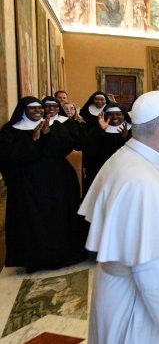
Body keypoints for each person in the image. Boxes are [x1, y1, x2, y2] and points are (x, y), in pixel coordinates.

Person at [78, 91, 159, 343]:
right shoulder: (140, 182)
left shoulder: (133, 159)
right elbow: (151, 267)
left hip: (128, 295)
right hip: (136, 308)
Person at [0, 97, 86, 273]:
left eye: (40, 108)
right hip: (27, 185)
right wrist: (33, 140)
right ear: (23, 111)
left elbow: (65, 148)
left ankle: (61, 255)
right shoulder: (10, 131)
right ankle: (35, 259)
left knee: (58, 217)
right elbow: (8, 157)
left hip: (57, 182)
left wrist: (47, 135)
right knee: (32, 220)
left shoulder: (55, 126)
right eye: (32, 109)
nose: (37, 111)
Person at [82, 102, 131, 195]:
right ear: (105, 116)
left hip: (123, 171)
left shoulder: (131, 130)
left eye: (118, 114)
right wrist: (101, 130)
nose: (115, 117)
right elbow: (89, 150)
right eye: (110, 114)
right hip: (100, 170)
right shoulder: (96, 130)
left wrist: (124, 138)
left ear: (124, 115)